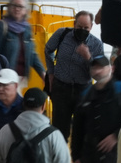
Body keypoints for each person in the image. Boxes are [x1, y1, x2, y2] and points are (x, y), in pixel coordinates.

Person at [44, 11, 104, 139]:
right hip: (61, 88)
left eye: (86, 28)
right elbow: (48, 49)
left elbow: (99, 75)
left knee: (81, 130)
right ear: (74, 23)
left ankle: (78, 157)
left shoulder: (96, 45)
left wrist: (88, 57)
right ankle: (59, 156)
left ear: (91, 27)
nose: (82, 30)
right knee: (59, 130)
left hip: (82, 91)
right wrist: (51, 72)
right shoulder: (62, 34)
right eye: (79, 27)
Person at [0, 0, 46, 92]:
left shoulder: (27, 28)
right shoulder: (1, 26)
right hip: (6, 80)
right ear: (9, 8)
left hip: (21, 78)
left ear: (25, 11)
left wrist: (42, 73)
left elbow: (32, 54)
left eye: (20, 6)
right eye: (14, 6)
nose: (17, 9)